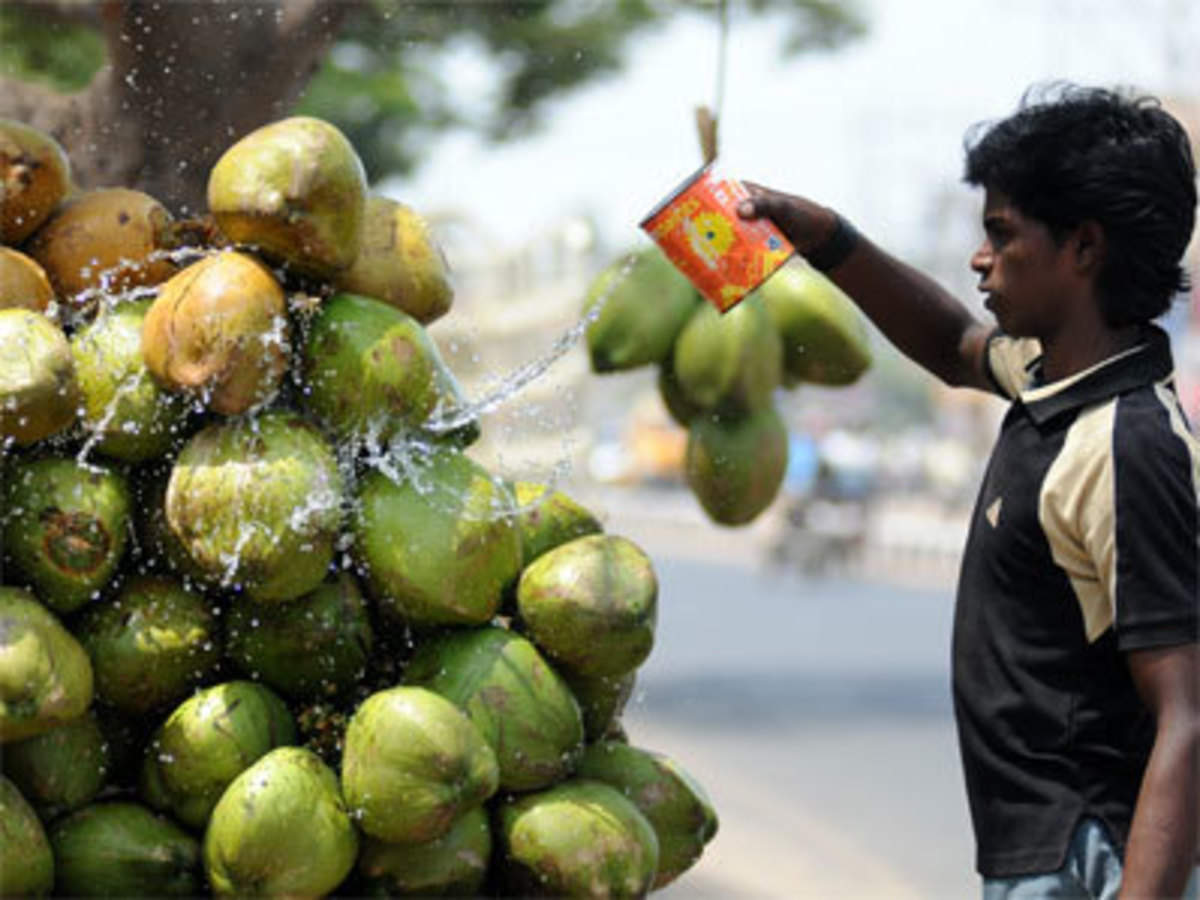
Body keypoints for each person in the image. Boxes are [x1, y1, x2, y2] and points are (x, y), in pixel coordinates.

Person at [738, 83, 1200, 900]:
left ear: (1083, 248)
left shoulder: (1126, 445)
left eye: (1001, 234)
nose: (980, 259)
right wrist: (828, 239)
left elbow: (1187, 715)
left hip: (1087, 857)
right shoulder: (1048, 378)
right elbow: (952, 344)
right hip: (1038, 853)